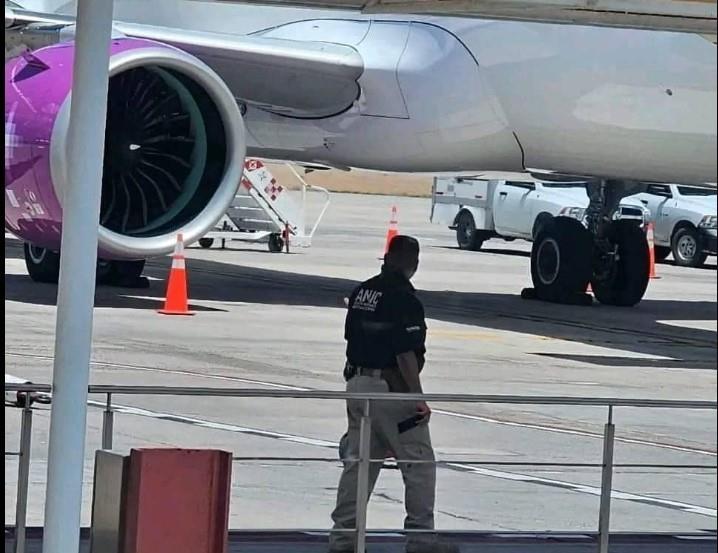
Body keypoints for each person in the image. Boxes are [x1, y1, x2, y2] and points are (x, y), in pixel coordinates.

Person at [329, 235, 460, 553]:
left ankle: (343, 538)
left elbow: (351, 337)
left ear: (386, 258)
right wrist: (417, 397)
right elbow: (405, 354)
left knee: (360, 465)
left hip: (358, 385)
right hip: (390, 390)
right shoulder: (405, 299)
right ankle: (420, 539)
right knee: (418, 464)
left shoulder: (362, 291)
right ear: (413, 264)